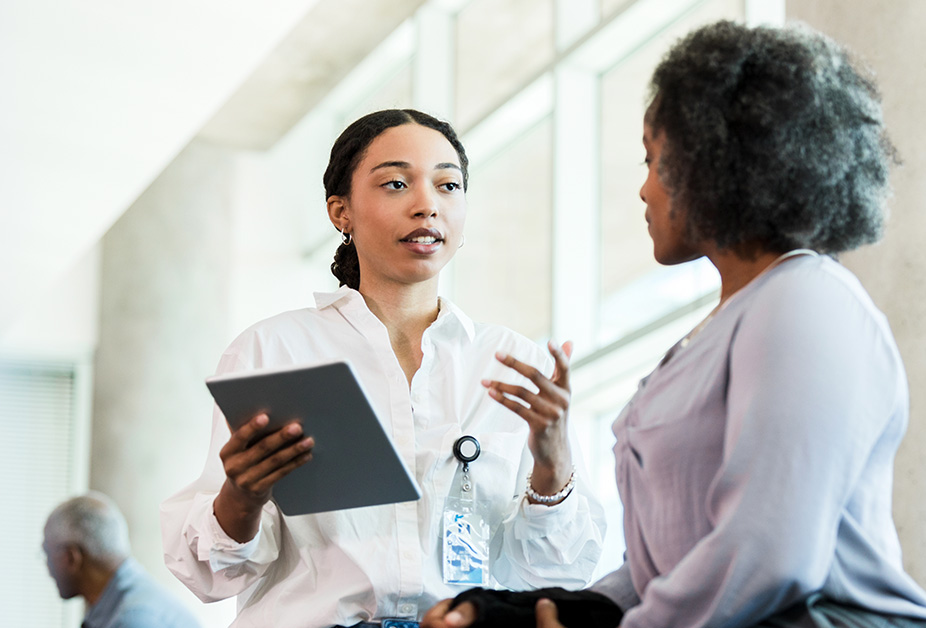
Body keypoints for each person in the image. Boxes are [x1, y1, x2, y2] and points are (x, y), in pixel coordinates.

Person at [421, 20, 926, 628]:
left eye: (655, 161)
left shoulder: (804, 300)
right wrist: (543, 611)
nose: (645, 190)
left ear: (716, 163)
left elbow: (766, 551)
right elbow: (671, 568)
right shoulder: (713, 332)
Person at [160, 109, 605, 628]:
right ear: (340, 212)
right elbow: (210, 575)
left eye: (448, 186)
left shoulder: (511, 364)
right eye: (396, 183)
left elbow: (558, 573)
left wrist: (552, 461)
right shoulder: (274, 350)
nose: (427, 205)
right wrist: (243, 495)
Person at [43, 492, 202, 628]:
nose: (47, 568)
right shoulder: (123, 601)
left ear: (71, 557)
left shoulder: (134, 618)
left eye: (47, 553)